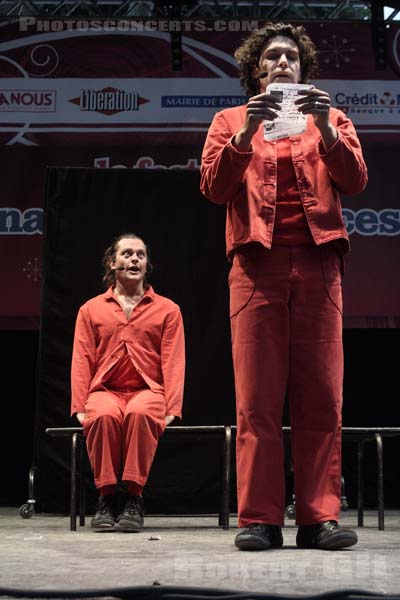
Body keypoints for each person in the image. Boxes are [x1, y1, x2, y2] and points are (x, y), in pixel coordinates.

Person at [200, 22, 367, 551]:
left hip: (320, 267)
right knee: (257, 402)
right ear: (254, 70)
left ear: (303, 68)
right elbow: (213, 187)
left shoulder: (331, 117)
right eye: (270, 57)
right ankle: (260, 519)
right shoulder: (229, 120)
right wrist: (245, 136)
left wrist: (327, 128)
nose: (281, 64)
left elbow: (356, 181)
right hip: (255, 268)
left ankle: (319, 518)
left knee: (321, 398)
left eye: (290, 57)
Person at [70, 233, 185, 532]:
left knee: (141, 413)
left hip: (147, 391)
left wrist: (172, 405)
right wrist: (80, 405)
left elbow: (173, 360)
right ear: (113, 262)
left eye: (141, 255)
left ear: (147, 266)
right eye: (127, 254)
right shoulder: (91, 309)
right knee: (103, 415)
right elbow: (82, 359)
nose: (134, 259)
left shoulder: (168, 310)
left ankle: (134, 496)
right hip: (105, 391)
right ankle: (107, 497)